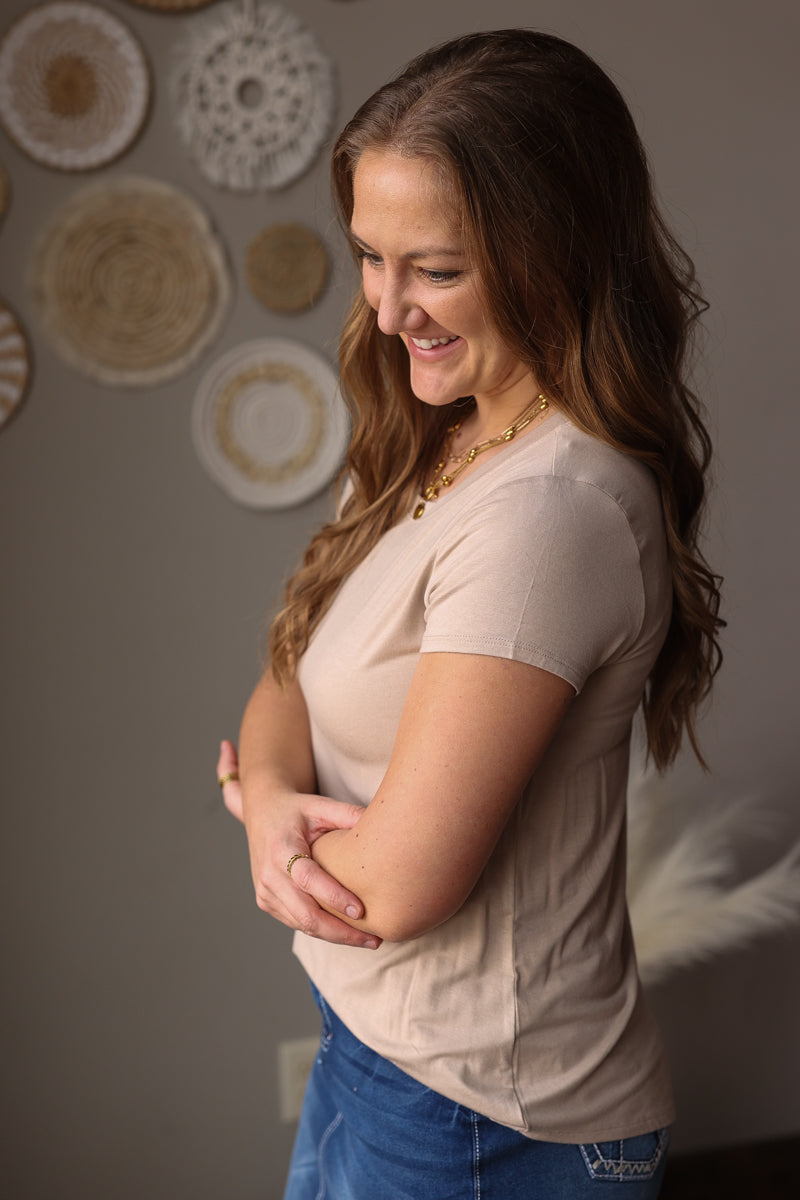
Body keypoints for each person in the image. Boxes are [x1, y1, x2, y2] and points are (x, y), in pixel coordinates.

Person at [218, 29, 723, 1199]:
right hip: (379, 1056)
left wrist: (258, 799)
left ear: (553, 254)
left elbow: (393, 888)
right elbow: (286, 669)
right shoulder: (429, 435)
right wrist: (267, 814)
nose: (388, 311)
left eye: (434, 269)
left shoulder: (548, 513)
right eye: (368, 257)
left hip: (481, 1117)